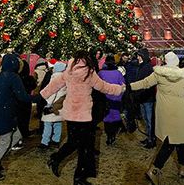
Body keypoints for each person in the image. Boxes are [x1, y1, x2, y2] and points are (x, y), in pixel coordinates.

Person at [41, 50, 124, 185]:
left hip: (71, 114)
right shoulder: (89, 73)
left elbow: (55, 84)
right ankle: (78, 177)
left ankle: (56, 160)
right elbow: (104, 87)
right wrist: (120, 89)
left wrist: (42, 95)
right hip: (84, 115)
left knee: (73, 142)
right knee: (84, 146)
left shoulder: (69, 71)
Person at [131, 51, 184, 183]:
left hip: (165, 111)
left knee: (179, 139)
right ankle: (155, 169)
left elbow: (145, 83)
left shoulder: (159, 74)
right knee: (173, 140)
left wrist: (129, 87)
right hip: (180, 111)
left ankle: (183, 167)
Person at [0, 54, 32, 181]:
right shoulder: (14, 77)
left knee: (16, 136)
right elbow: (23, 97)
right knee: (5, 141)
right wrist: (39, 97)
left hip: (1, 113)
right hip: (7, 113)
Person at [126, 48, 156, 148]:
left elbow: (147, 83)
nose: (138, 57)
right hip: (142, 98)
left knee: (149, 120)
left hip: (147, 98)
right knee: (146, 120)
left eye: (139, 56)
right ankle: (149, 137)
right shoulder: (141, 66)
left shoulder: (148, 67)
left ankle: (152, 139)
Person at [98, 54, 125, 145]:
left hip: (105, 98)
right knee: (115, 117)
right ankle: (113, 135)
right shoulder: (118, 73)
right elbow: (123, 85)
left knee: (107, 118)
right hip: (116, 98)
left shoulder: (101, 73)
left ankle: (109, 136)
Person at [40, 61, 67, 149]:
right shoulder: (65, 78)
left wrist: (48, 103)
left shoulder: (55, 77)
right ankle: (56, 140)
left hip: (52, 104)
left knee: (48, 124)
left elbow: (52, 91)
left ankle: (45, 142)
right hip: (60, 104)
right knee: (58, 123)